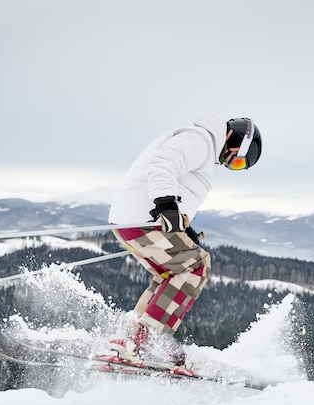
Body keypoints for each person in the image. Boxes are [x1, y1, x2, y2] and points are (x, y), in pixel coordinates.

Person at [107, 114, 262, 366]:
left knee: (171, 274)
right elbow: (163, 163)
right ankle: (143, 343)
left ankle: (131, 339)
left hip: (134, 219)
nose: (229, 165)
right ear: (235, 142)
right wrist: (166, 205)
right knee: (196, 267)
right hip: (143, 218)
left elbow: (180, 187)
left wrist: (181, 223)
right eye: (237, 162)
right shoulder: (199, 140)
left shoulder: (201, 145)